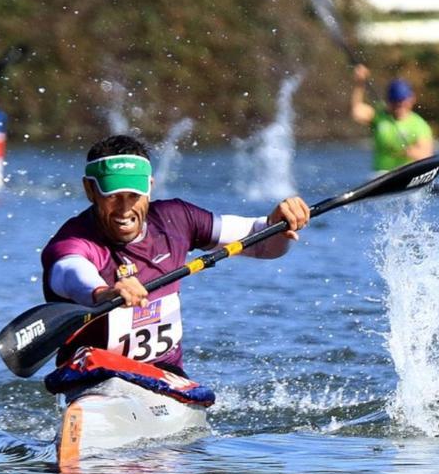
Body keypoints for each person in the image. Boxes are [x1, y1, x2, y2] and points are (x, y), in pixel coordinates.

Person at [40, 135, 310, 377]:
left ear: (150, 187)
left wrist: (278, 224)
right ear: (90, 191)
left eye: (134, 195)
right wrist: (104, 293)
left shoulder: (176, 219)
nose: (124, 209)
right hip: (92, 377)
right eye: (113, 196)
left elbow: (264, 246)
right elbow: (70, 273)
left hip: (164, 379)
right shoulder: (73, 241)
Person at [350, 64, 434, 173]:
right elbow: (356, 111)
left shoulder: (419, 125)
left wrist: (413, 153)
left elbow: (427, 156)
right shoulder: (379, 116)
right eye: (394, 102)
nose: (399, 106)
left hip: (407, 175)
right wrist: (360, 84)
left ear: (412, 99)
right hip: (380, 175)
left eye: (402, 102)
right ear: (388, 101)